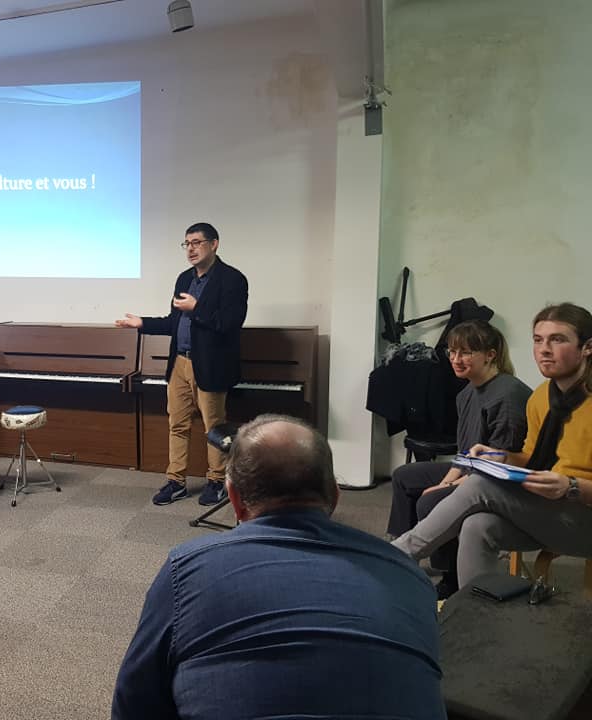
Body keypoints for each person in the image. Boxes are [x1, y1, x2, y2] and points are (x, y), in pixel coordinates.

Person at [112, 415, 445, 720]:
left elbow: (134, 703)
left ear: (234, 499)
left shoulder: (186, 571)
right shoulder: (410, 577)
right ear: (335, 495)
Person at [393, 303, 592, 587]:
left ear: (587, 347)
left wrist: (571, 486)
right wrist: (500, 457)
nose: (544, 350)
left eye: (557, 340)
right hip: (552, 510)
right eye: (538, 340)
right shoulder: (541, 397)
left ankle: (397, 555)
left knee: (480, 484)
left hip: (582, 512)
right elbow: (531, 456)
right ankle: (473, 609)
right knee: (477, 525)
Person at [386, 320, 531, 597]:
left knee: (431, 500)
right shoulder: (466, 393)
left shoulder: (508, 395)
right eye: (452, 352)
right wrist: (446, 480)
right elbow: (465, 453)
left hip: (499, 481)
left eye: (465, 352)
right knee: (405, 476)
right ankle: (401, 556)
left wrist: (447, 488)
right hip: (474, 470)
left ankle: (450, 578)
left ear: (490, 355)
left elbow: (499, 463)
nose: (455, 359)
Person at [116, 222, 248, 506]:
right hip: (179, 362)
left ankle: (217, 481)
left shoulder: (233, 279)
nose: (190, 249)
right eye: (187, 244)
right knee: (177, 424)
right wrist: (142, 323)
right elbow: (173, 323)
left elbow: (230, 324)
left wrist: (197, 308)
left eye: (197, 242)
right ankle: (176, 481)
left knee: (214, 428)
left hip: (210, 366)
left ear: (214, 244)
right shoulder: (184, 279)